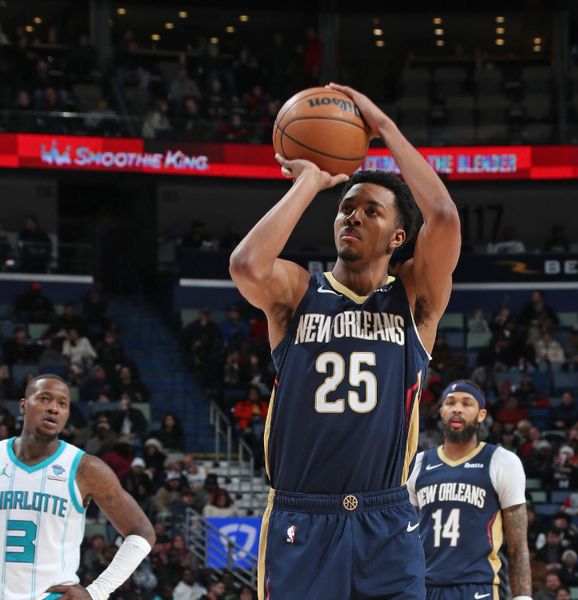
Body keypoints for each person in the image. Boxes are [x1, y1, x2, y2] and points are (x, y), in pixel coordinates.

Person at [229, 83, 461, 599]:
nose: (352, 215)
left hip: (387, 516)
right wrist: (309, 183)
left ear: (398, 238)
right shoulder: (298, 292)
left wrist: (385, 129)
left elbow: (443, 217)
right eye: (345, 208)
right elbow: (245, 266)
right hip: (301, 514)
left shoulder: (414, 299)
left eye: (371, 211)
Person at [0, 374, 155, 599]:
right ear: (23, 406)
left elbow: (142, 532)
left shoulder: (85, 468)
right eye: (44, 399)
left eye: (62, 404)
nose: (54, 409)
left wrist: (97, 592)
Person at [407, 381, 530, 600]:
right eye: (450, 402)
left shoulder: (501, 462)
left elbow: (518, 544)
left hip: (477, 587)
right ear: (441, 411)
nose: (457, 408)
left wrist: (522, 597)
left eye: (467, 403)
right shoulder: (419, 464)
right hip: (425, 586)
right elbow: (405, 536)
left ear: (481, 414)